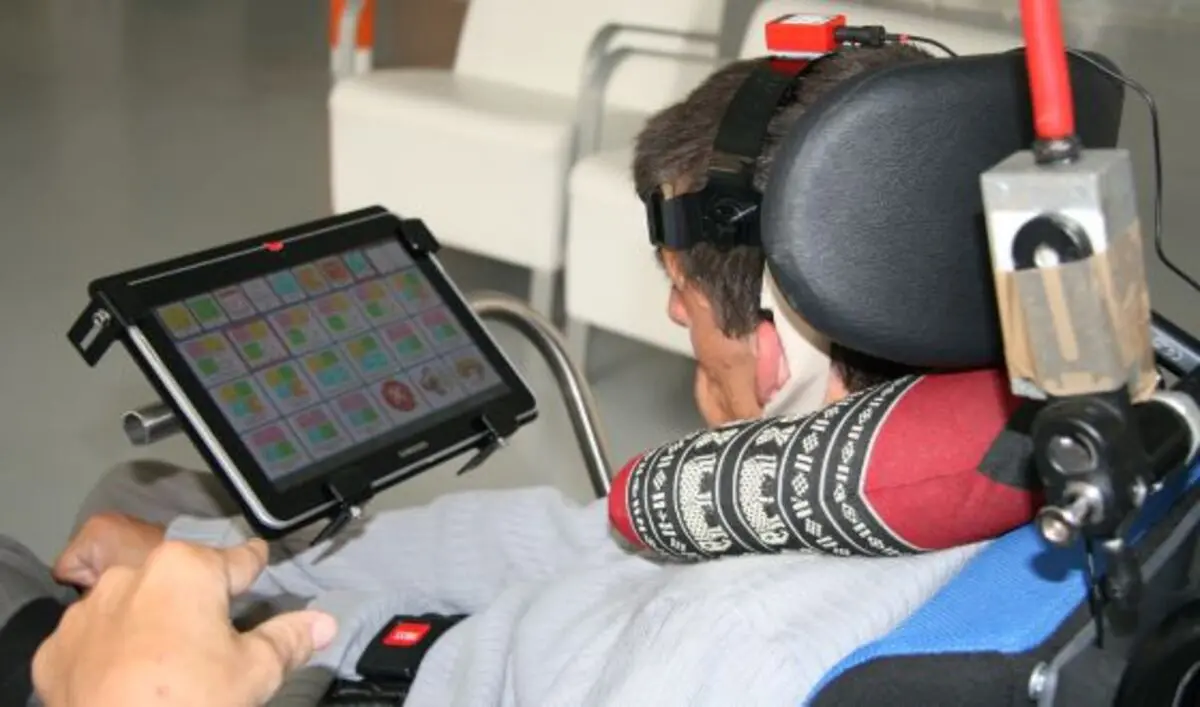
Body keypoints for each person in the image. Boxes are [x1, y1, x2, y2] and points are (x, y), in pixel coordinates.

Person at [19, 45, 979, 707]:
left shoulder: (727, 649)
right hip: (459, 631)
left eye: (681, 292)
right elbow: (577, 540)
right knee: (147, 498)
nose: (673, 316)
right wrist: (208, 550)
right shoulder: (930, 459)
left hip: (391, 673)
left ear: (777, 341)